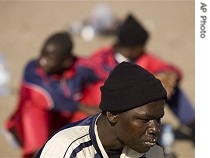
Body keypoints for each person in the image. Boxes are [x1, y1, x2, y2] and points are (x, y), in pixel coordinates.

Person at [81, 13, 195, 144]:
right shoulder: (101, 59)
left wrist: (168, 76)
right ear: (134, 48)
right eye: (142, 46)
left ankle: (195, 126)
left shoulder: (144, 58)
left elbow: (169, 68)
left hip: (138, 110)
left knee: (169, 85)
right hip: (106, 113)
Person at [35, 61, 167, 158]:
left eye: (158, 119)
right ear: (113, 114)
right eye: (145, 119)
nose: (155, 129)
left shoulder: (152, 152)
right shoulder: (68, 149)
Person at [4, 31, 100, 158]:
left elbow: (108, 74)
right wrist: (82, 107)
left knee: (101, 88)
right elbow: (47, 97)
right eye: (42, 54)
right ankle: (39, 154)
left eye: (50, 58)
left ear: (66, 62)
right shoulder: (32, 69)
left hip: (64, 125)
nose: (43, 61)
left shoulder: (81, 67)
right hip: (25, 131)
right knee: (33, 107)